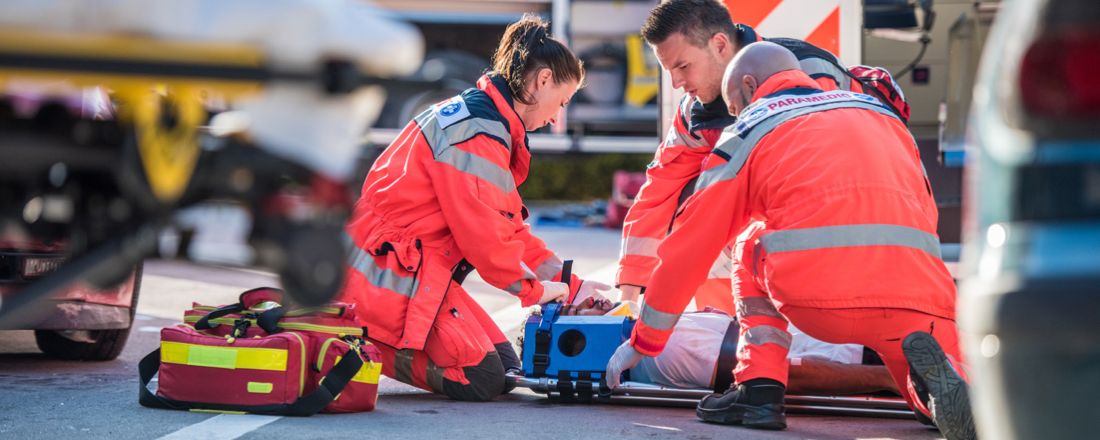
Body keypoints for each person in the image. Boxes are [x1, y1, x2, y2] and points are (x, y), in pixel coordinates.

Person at [607, 42, 974, 440]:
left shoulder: (752, 125)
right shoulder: (879, 113)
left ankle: (758, 389)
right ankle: (933, 399)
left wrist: (645, 340)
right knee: (921, 378)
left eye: (734, 106)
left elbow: (693, 242)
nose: (734, 115)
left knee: (749, 242)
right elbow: (925, 211)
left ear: (748, 87)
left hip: (819, 298)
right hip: (920, 298)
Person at [340, 15, 613, 402]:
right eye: (562, 102)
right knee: (483, 378)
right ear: (544, 80)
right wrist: (536, 291)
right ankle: (364, 339)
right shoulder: (478, 134)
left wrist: (573, 285)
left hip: (407, 269)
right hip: (387, 277)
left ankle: (374, 332)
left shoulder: (486, 122)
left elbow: (508, 229)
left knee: (507, 369)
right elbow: (486, 242)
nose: (556, 117)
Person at [617, 0, 860, 315]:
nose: (676, 83)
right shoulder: (695, 112)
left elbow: (821, 184)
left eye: (682, 67)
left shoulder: (809, 75)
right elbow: (659, 191)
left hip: (844, 221)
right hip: (800, 226)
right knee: (694, 207)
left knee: (725, 211)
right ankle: (724, 331)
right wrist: (628, 296)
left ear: (719, 45)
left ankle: (821, 331)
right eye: (669, 71)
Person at [552, 298, 897, 396]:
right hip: (846, 352)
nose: (588, 299)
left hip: (838, 334)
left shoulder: (646, 330)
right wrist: (885, 377)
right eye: (576, 310)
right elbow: (776, 375)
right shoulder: (650, 355)